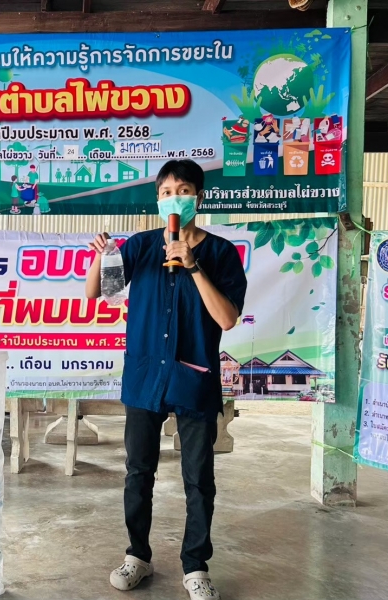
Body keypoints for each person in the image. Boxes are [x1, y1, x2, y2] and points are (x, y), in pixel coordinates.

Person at [85, 159, 247, 600]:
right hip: (144, 378)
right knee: (138, 472)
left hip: (194, 380)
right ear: (157, 200)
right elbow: (99, 293)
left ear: (199, 197)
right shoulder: (139, 246)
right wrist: (102, 257)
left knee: (199, 478)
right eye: (166, 192)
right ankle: (137, 555)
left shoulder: (221, 253)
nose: (174, 199)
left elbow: (226, 319)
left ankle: (195, 566)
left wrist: (193, 266)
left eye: (183, 190)